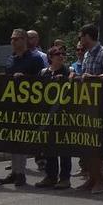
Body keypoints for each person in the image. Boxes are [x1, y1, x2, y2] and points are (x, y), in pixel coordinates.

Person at [0, 29, 45, 187]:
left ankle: (21, 173)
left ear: (24, 40)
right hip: (12, 104)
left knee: (22, 139)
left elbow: (41, 81)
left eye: (16, 39)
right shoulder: (10, 59)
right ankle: (14, 172)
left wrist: (25, 79)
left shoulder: (35, 59)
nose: (13, 42)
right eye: (11, 39)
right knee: (13, 140)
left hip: (27, 105)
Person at [75, 23, 103, 194]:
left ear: (87, 36)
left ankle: (101, 180)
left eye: (81, 36)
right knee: (88, 142)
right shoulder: (86, 55)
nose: (80, 40)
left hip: (100, 105)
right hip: (86, 104)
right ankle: (92, 178)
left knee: (97, 142)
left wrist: (93, 78)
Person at [30, 47, 73, 189]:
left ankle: (65, 178)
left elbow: (74, 86)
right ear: (50, 57)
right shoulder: (44, 72)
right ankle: (51, 176)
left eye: (63, 54)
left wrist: (68, 78)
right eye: (57, 54)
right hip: (47, 115)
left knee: (64, 148)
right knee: (49, 147)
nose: (61, 56)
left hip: (63, 115)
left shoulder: (68, 71)